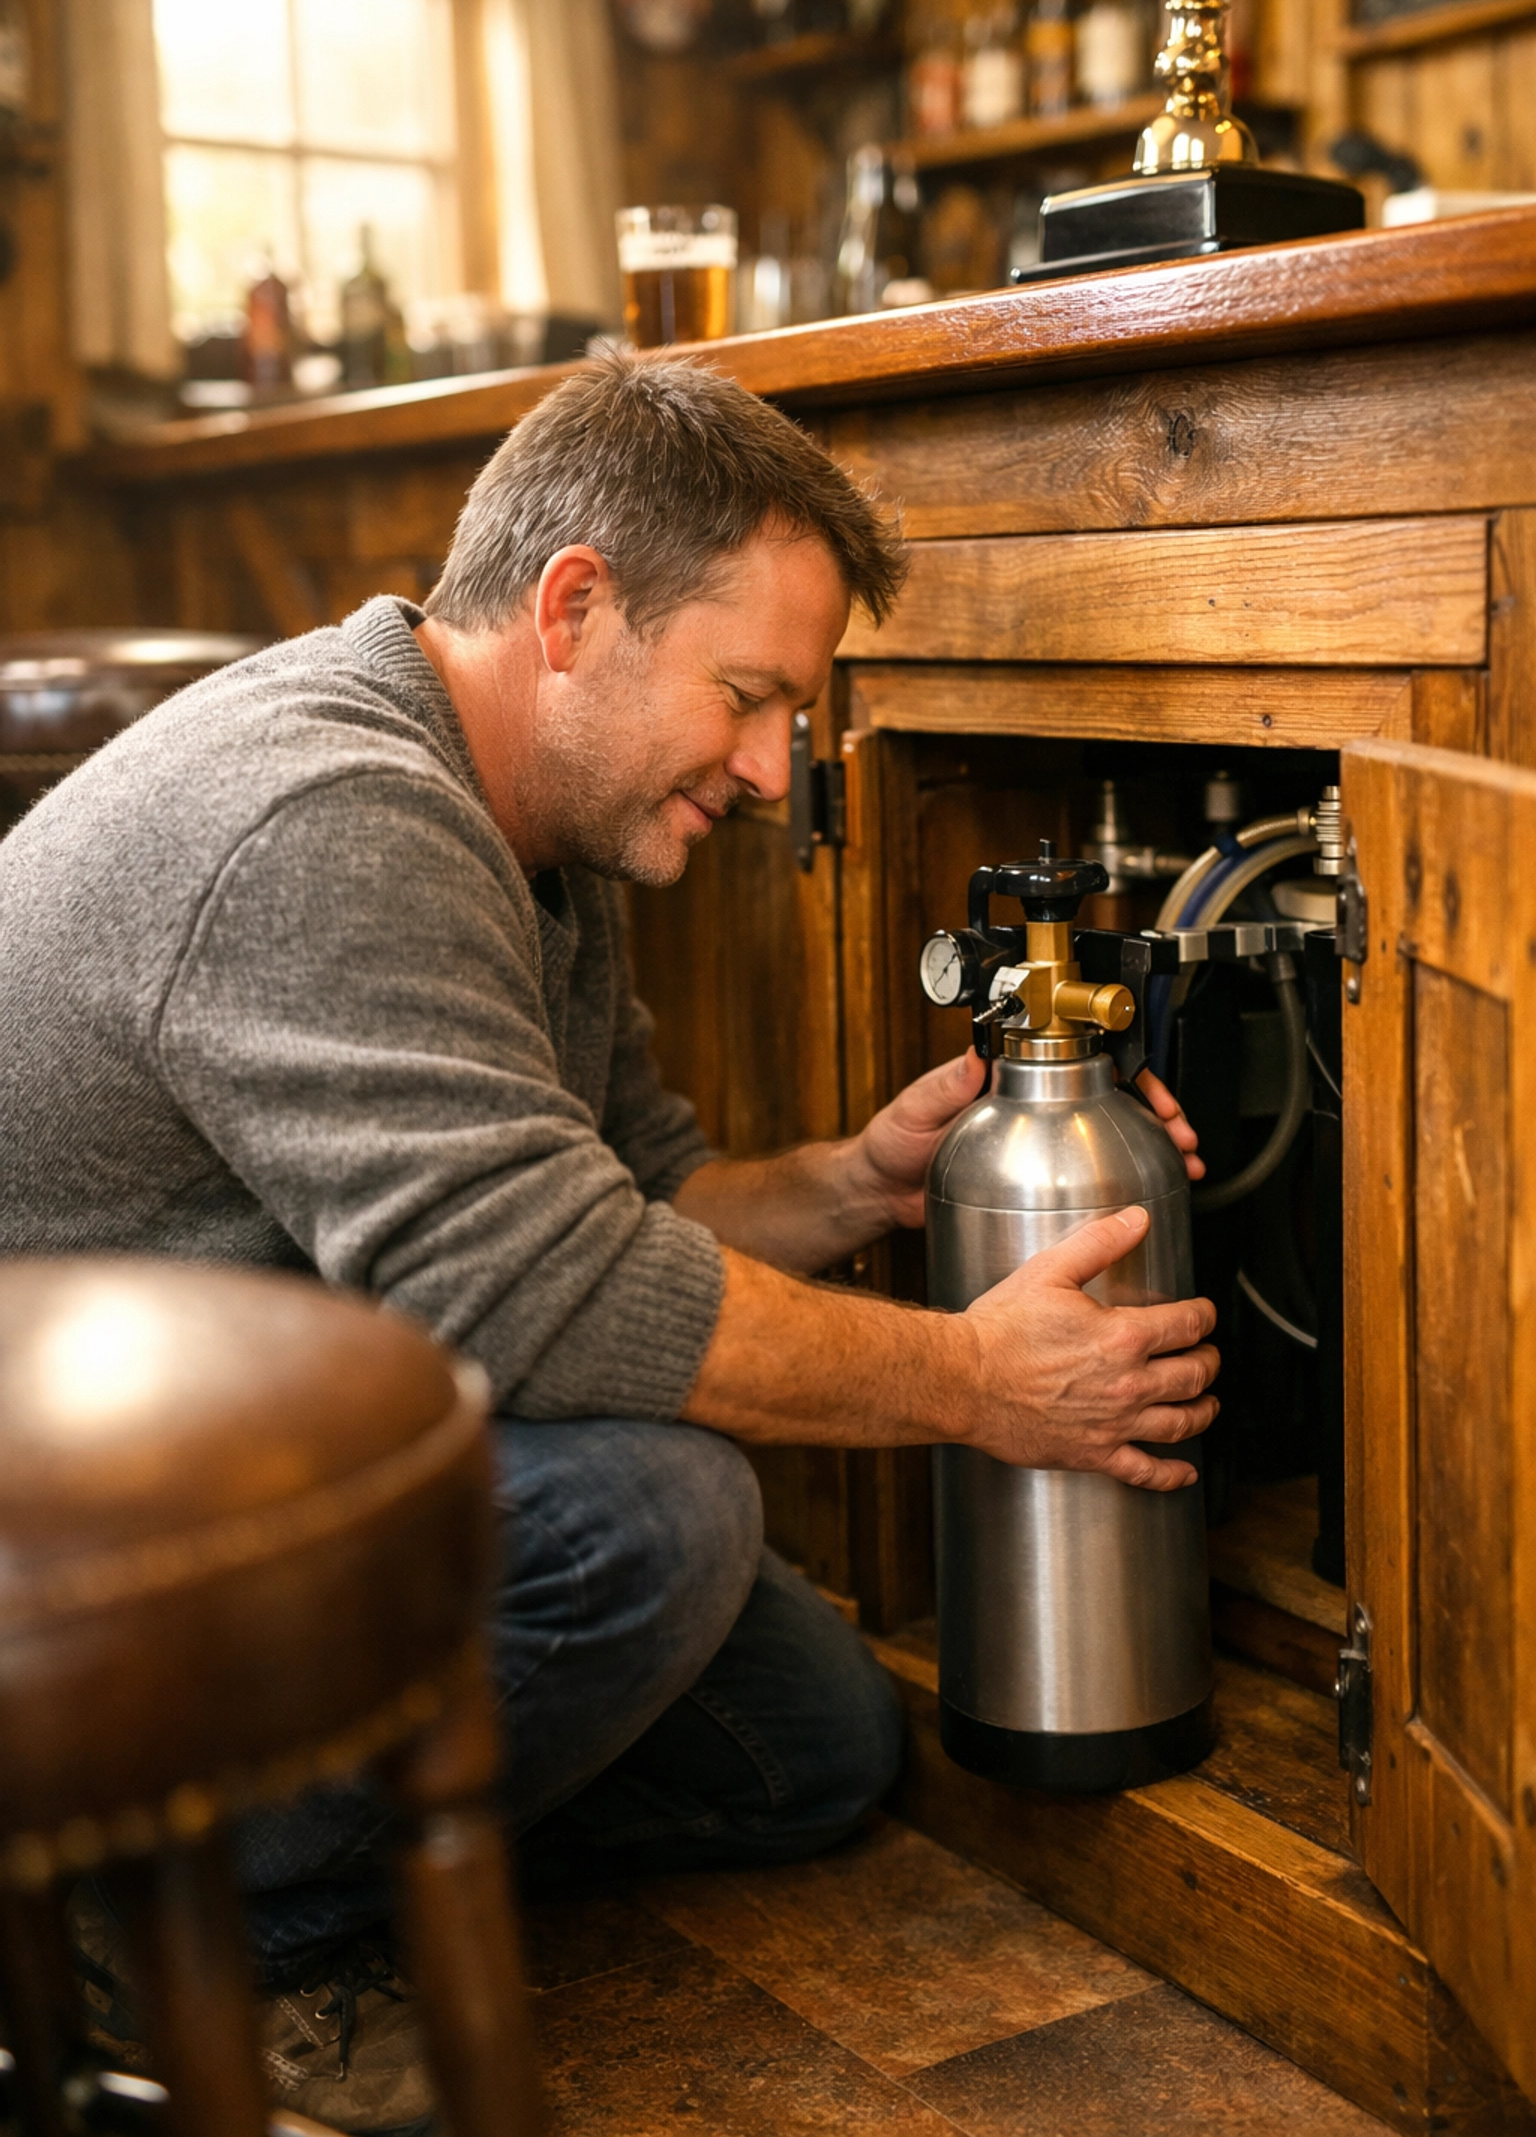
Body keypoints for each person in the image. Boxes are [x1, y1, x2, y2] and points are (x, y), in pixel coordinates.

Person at [0, 350, 1217, 2135]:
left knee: (813, 1750)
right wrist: (973, 1381)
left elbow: (620, 1197)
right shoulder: (336, 815)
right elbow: (538, 1298)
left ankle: (302, 1844)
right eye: (747, 695)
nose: (770, 764)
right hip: (66, 1529)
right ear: (574, 608)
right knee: (657, 1517)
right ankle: (140, 1929)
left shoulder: (535, 833)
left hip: (250, 1443)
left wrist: (863, 1182)